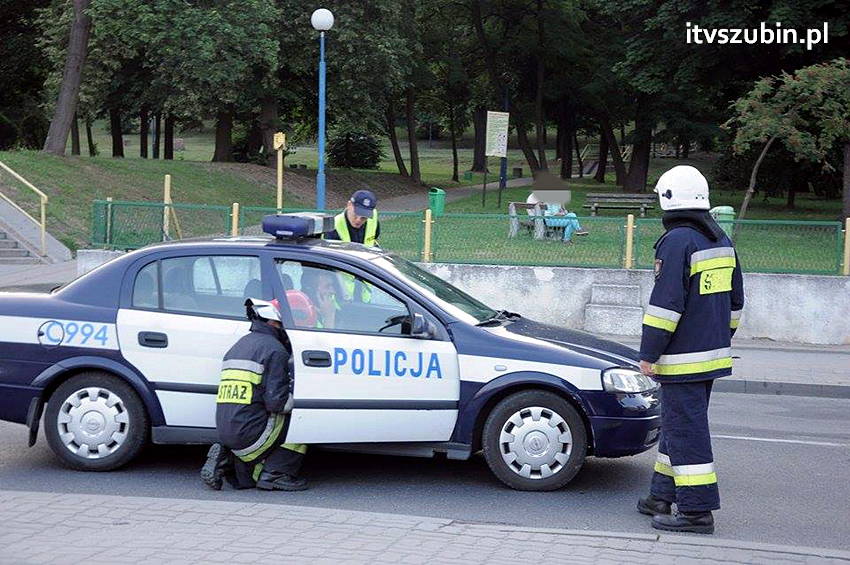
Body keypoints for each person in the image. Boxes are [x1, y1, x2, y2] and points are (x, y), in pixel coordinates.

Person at [636, 165, 744, 535]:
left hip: (681, 359)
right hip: (712, 355)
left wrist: (648, 353)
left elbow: (666, 306)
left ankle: (697, 512)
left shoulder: (678, 241)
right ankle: (660, 496)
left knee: (686, 431)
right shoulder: (721, 240)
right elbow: (735, 304)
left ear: (668, 199)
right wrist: (717, 340)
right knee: (677, 427)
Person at [201, 298, 308, 491]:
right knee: (303, 422)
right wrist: (300, 402)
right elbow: (277, 403)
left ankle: (229, 460)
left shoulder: (238, 346)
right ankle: (275, 474)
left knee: (253, 456)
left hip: (229, 432)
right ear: (275, 322)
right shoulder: (275, 351)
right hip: (251, 436)